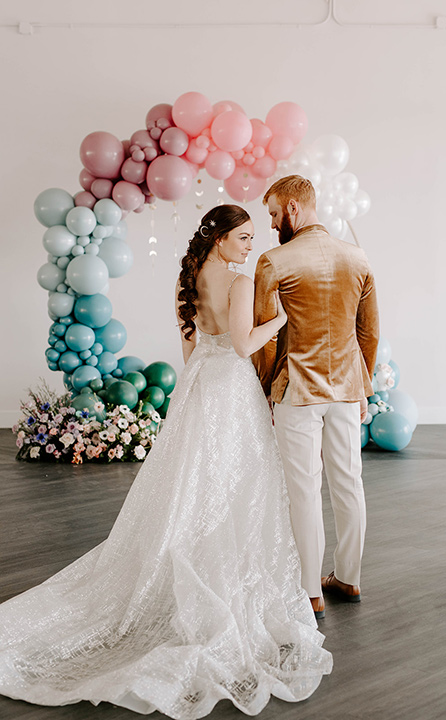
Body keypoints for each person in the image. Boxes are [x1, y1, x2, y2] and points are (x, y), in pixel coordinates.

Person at [0, 203, 332, 719]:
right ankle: (218, 573)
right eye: (243, 236)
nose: (250, 244)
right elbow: (244, 345)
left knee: (190, 484)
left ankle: (186, 563)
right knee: (235, 484)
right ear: (220, 238)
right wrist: (281, 321)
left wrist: (213, 361)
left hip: (198, 385)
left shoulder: (191, 277)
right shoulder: (241, 283)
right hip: (230, 389)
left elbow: (190, 350)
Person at [253, 175, 379, 618]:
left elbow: (266, 339)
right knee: (349, 482)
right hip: (345, 389)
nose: (270, 224)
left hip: (298, 390)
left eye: (272, 213)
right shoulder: (357, 257)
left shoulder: (273, 261)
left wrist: (268, 386)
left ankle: (311, 591)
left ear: (291, 208)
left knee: (303, 489)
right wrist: (362, 387)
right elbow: (368, 333)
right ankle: (349, 577)